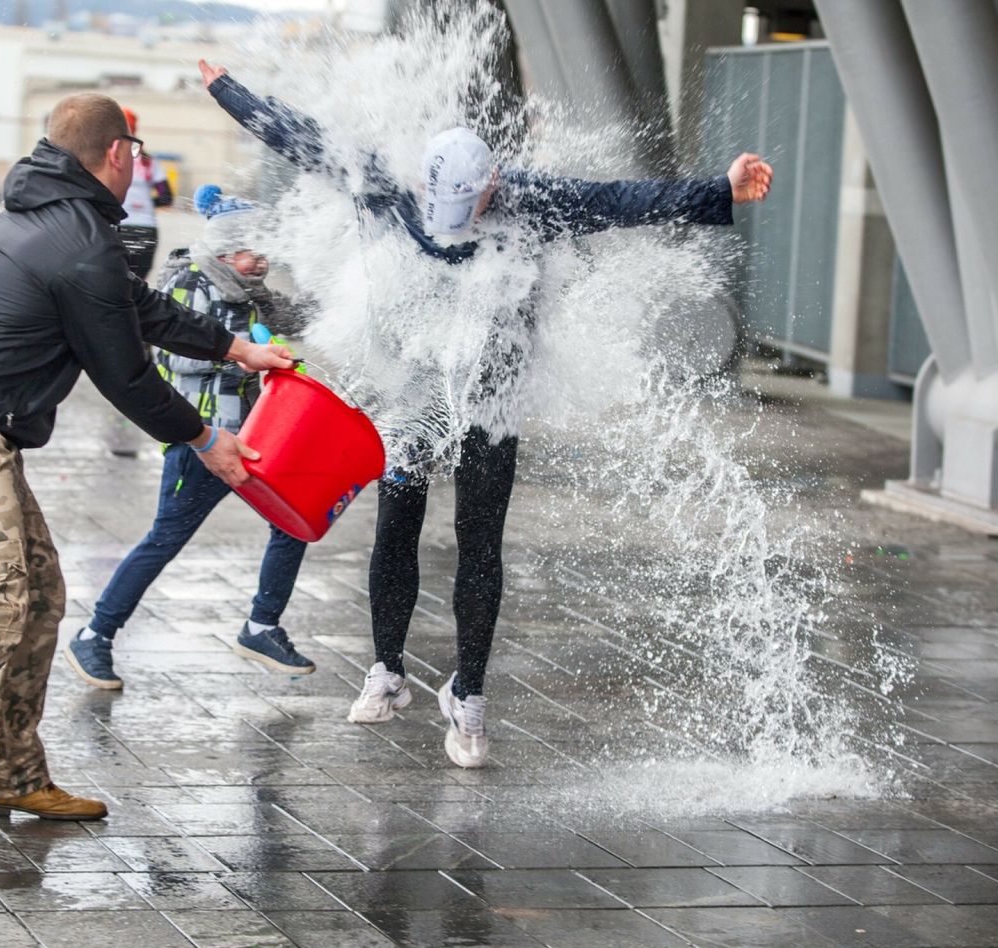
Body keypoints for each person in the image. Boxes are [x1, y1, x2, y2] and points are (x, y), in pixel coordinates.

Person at [197, 59, 773, 768]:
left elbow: (625, 200)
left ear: (491, 188)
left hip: (493, 388)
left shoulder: (530, 199)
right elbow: (307, 141)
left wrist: (721, 190)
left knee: (480, 537)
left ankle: (467, 696)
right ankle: (387, 671)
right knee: (397, 519)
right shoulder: (389, 182)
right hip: (412, 378)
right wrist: (228, 91)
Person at [0, 92, 294, 867]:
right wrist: (207, 438)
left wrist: (239, 352)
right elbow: (125, 374)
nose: (137, 166)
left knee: (40, 595)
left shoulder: (61, 221)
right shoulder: (77, 237)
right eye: (134, 152)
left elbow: (135, 308)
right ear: (116, 155)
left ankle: (12, 773)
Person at [66, 184, 316, 689]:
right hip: (200, 441)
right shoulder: (189, 280)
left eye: (266, 252)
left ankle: (261, 626)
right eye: (251, 252)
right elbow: (171, 352)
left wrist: (334, 303)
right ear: (225, 249)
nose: (260, 262)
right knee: (166, 539)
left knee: (295, 523)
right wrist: (240, 350)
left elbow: (299, 319)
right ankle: (95, 635)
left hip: (253, 436)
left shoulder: (254, 292)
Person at [119, 106, 173, 281]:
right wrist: (145, 204)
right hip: (146, 228)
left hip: (119, 226)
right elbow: (166, 197)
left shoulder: (109, 158)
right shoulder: (149, 161)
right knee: (138, 284)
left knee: (116, 280)